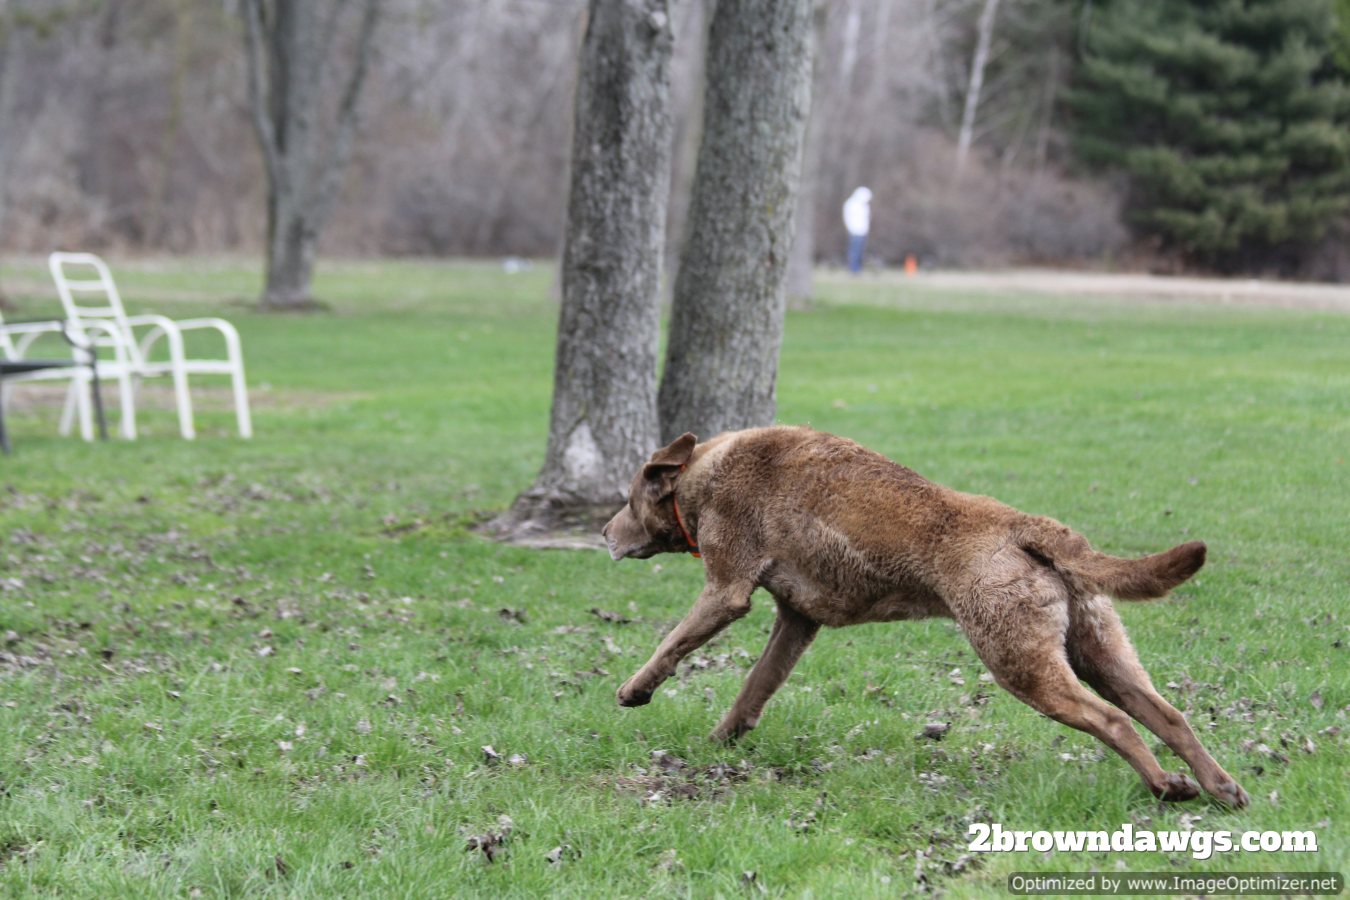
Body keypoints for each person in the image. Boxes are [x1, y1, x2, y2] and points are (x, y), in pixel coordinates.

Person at [842, 186, 871, 274]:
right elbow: (847, 218)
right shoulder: (851, 204)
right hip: (854, 231)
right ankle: (852, 269)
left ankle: (858, 269)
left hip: (863, 232)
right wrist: (851, 229)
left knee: (860, 252)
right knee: (854, 251)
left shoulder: (864, 205)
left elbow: (866, 219)